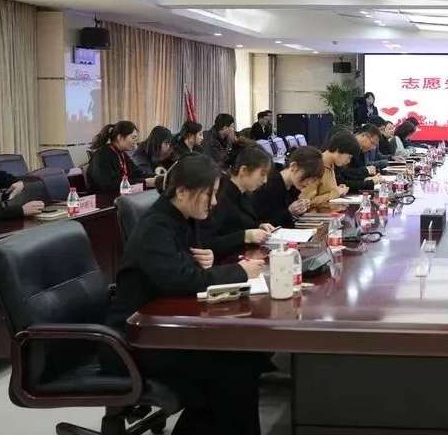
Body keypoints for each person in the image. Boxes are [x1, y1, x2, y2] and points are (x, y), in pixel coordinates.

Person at [104, 154, 267, 435]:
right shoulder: (156, 227)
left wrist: (204, 260)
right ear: (181, 191)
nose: (213, 202)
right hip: (136, 339)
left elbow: (183, 268)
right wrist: (240, 272)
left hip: (165, 325)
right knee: (233, 371)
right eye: (208, 194)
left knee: (244, 358)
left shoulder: (183, 218)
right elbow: (183, 279)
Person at [205, 143, 277, 256]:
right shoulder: (221, 196)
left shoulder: (244, 194)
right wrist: (245, 236)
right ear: (243, 170)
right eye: (262, 174)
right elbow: (209, 242)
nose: (265, 181)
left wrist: (258, 226)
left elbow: (242, 224)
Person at [251, 146, 324, 227]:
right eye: (308, 176)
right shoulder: (268, 185)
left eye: (313, 179)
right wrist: (289, 212)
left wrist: (299, 209)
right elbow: (261, 223)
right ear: (293, 167)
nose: (309, 183)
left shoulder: (293, 187)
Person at [87, 121, 156, 194]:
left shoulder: (122, 154)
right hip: (104, 197)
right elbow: (108, 185)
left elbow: (137, 173)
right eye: (133, 138)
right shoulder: (101, 155)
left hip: (121, 195)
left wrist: (158, 177)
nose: (135, 142)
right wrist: (145, 182)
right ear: (120, 137)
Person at [301, 132, 358, 208]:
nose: (348, 161)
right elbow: (306, 202)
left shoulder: (331, 165)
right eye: (349, 157)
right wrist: (336, 193)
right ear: (338, 150)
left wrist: (338, 189)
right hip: (316, 214)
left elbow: (325, 191)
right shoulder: (316, 166)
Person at [335, 124, 382, 192]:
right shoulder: (346, 145)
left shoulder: (360, 150)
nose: (373, 148)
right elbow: (343, 175)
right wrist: (367, 175)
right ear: (363, 135)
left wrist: (367, 179)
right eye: (372, 143)